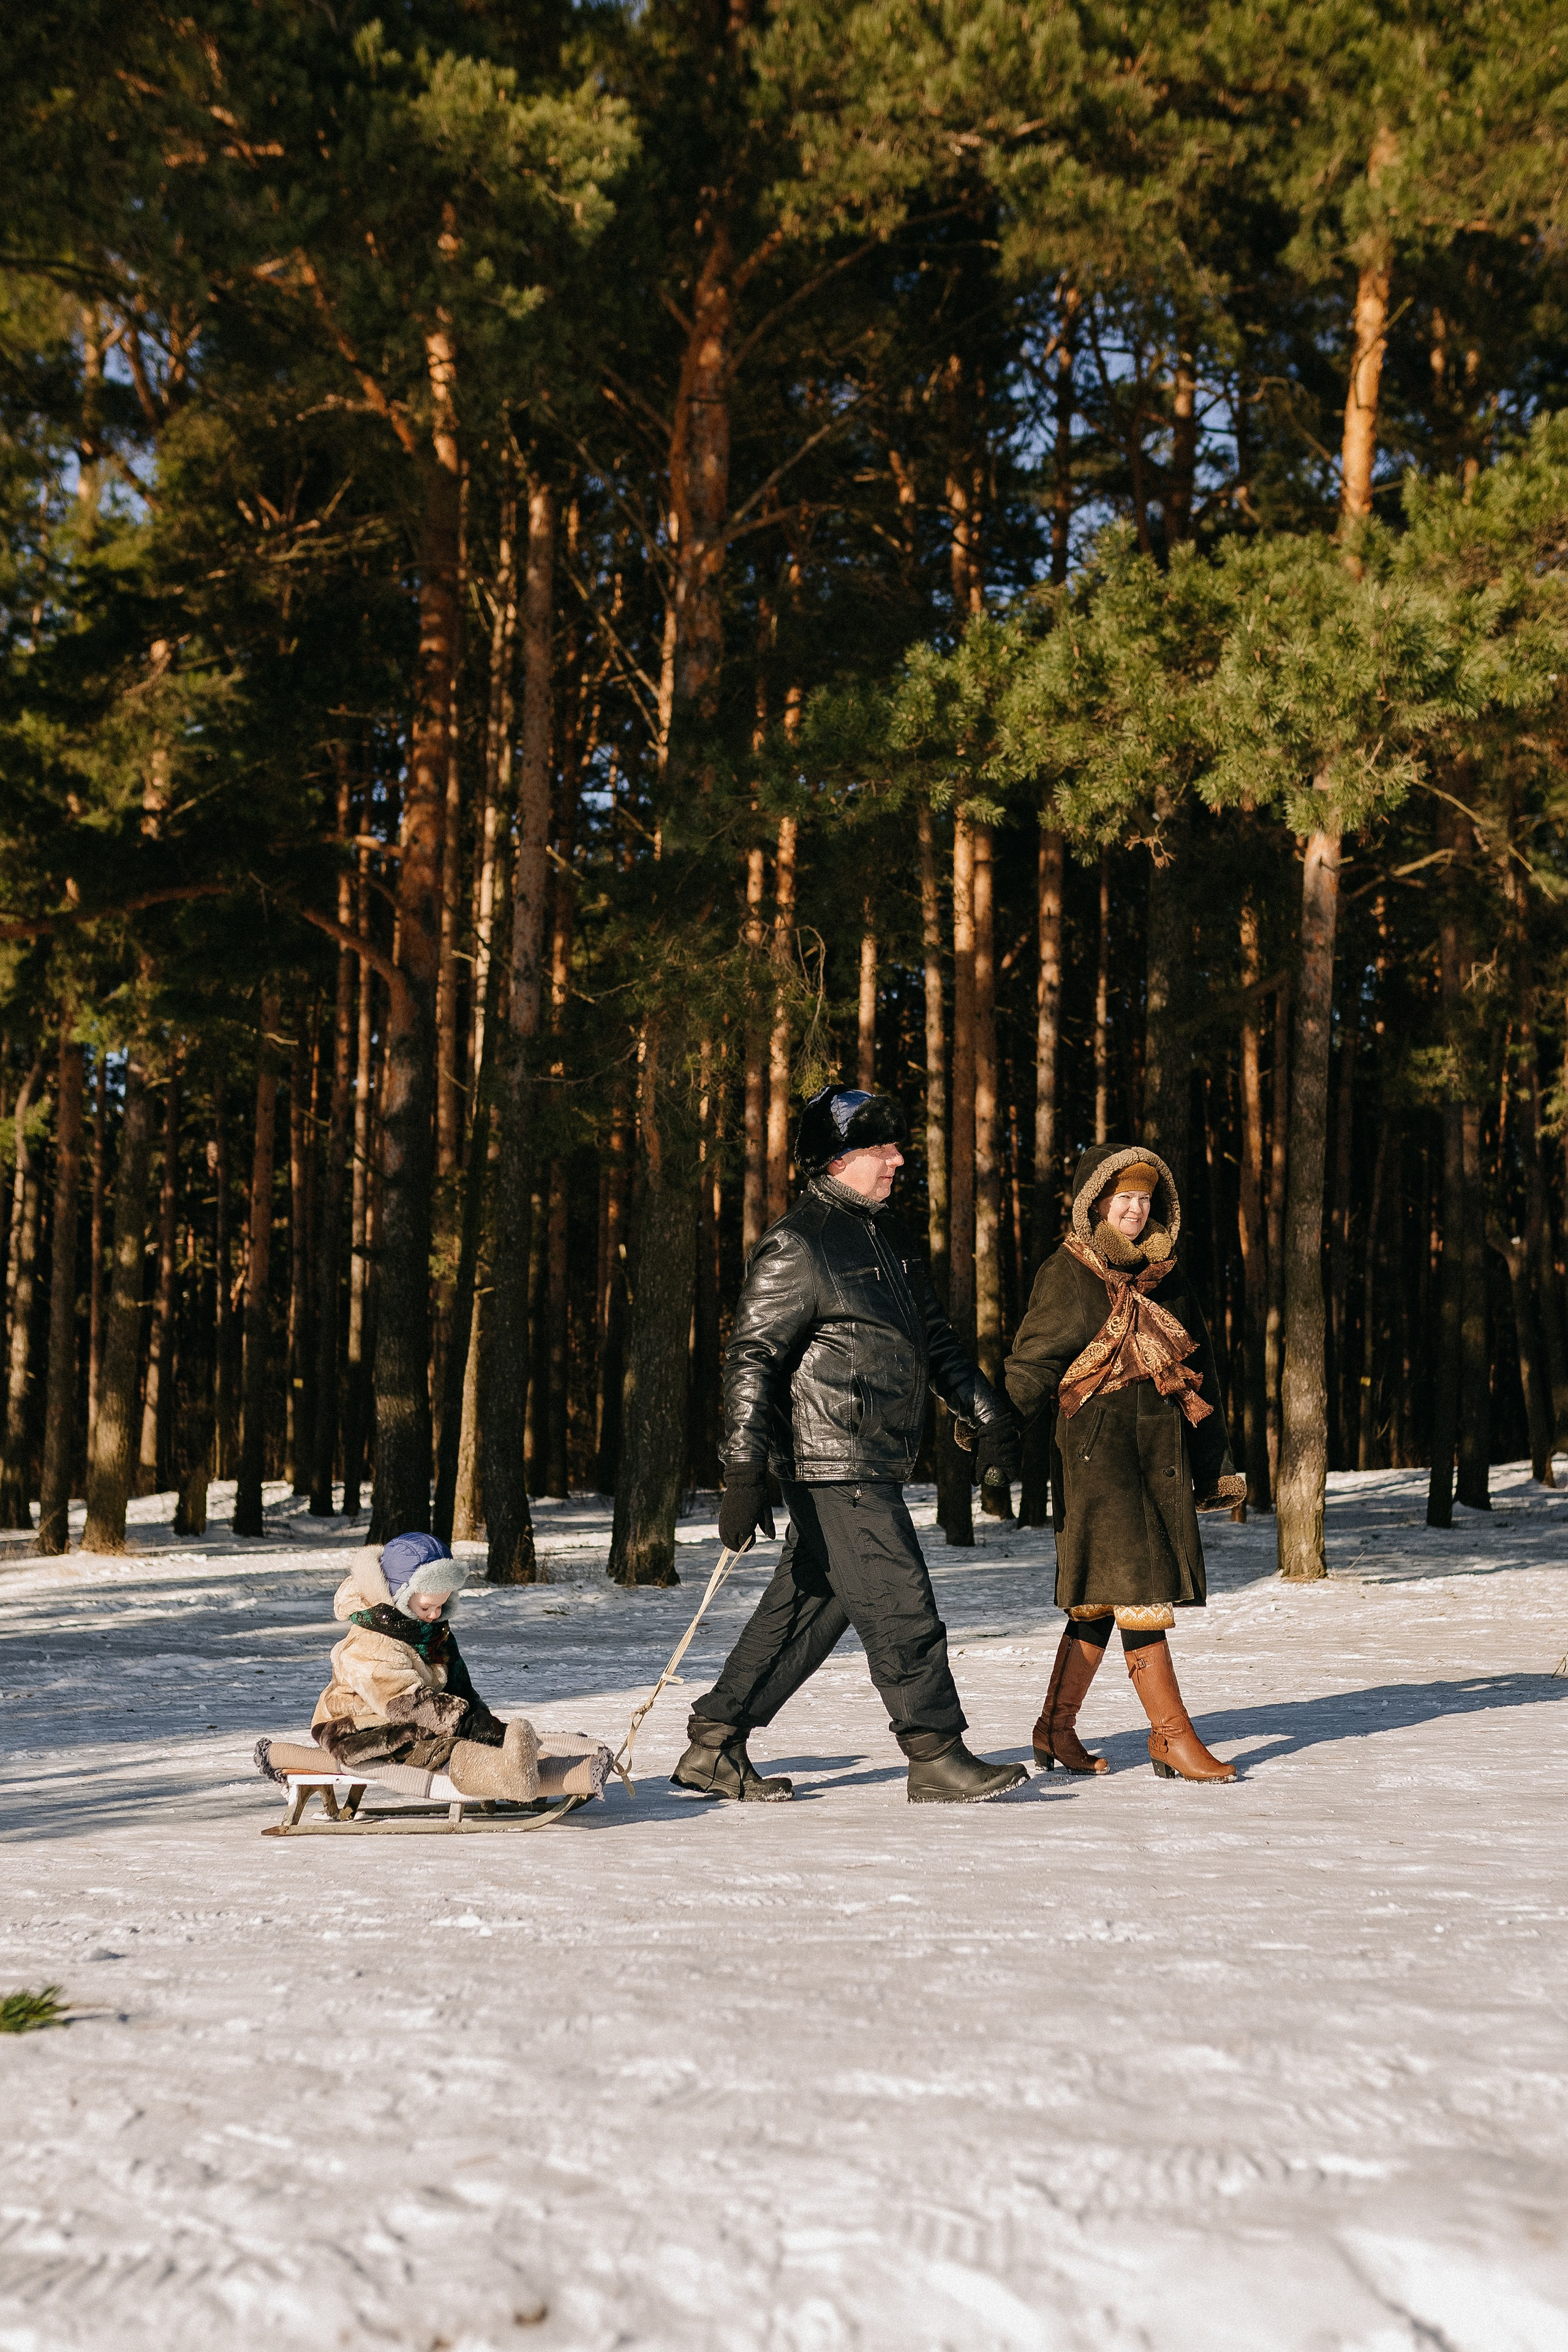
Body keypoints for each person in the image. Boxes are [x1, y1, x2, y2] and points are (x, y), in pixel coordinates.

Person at [671, 1084, 1029, 1806]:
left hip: (868, 1455)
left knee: (810, 1606)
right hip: (832, 1457)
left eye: (896, 1146)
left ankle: (714, 1745)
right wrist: (742, 1470)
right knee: (900, 1604)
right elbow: (751, 1360)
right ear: (837, 1161)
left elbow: (935, 1340)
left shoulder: (888, 1237)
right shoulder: (798, 1243)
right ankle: (934, 1754)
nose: (898, 1160)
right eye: (880, 1149)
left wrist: (991, 1416)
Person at [1005, 1144, 1246, 1784]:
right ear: (1097, 1205)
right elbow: (1033, 1362)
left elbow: (1201, 1376)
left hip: (1160, 1455)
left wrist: (1214, 1463)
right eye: (1123, 1199)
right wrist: (992, 1422)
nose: (1136, 1210)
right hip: (1097, 1459)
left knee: (1098, 1602)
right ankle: (1171, 1738)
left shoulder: (1170, 1276)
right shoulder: (1067, 1272)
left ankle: (1055, 1729)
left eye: (1145, 1199)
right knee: (1139, 1594)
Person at [270, 1530, 610, 1803]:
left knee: (475, 1731)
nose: (436, 1614)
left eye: (444, 1605)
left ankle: (533, 1757)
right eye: (428, 1606)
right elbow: (404, 1702)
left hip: (419, 1713)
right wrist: (464, 1723)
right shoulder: (371, 1640)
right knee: (437, 1749)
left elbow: (458, 1684)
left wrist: (483, 1721)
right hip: (359, 1728)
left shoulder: (428, 1629)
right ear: (399, 1595)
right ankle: (507, 1777)